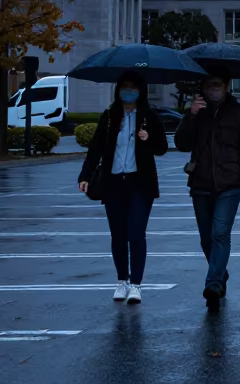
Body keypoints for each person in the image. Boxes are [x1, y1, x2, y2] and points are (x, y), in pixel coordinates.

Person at [78, 71, 168, 305]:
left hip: (141, 183)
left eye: (133, 87)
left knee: (136, 234)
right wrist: (85, 175)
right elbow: (96, 148)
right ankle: (122, 280)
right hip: (114, 182)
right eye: (124, 87)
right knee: (118, 234)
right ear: (118, 90)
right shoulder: (109, 117)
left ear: (141, 91)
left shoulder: (148, 116)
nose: (128, 91)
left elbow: (162, 148)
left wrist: (148, 138)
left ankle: (136, 285)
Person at [175, 70, 240, 311]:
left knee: (220, 233)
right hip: (200, 182)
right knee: (206, 238)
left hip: (230, 184)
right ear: (203, 87)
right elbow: (181, 144)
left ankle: (213, 283)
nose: (214, 88)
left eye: (218, 84)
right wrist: (190, 116)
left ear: (227, 85)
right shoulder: (196, 113)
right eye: (210, 84)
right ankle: (220, 273)